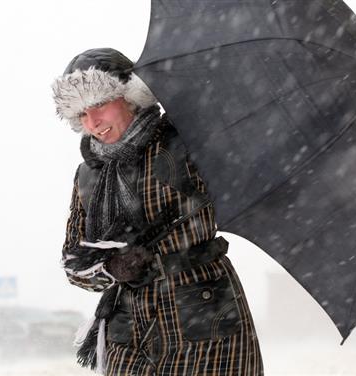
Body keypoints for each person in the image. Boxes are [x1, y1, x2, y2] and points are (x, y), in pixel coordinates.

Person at [52, 48, 264, 375]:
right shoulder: (89, 176)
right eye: (81, 114)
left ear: (130, 96)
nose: (92, 123)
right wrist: (113, 269)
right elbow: (74, 262)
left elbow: (248, 173)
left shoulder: (184, 140)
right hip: (127, 328)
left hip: (203, 315)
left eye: (99, 105)